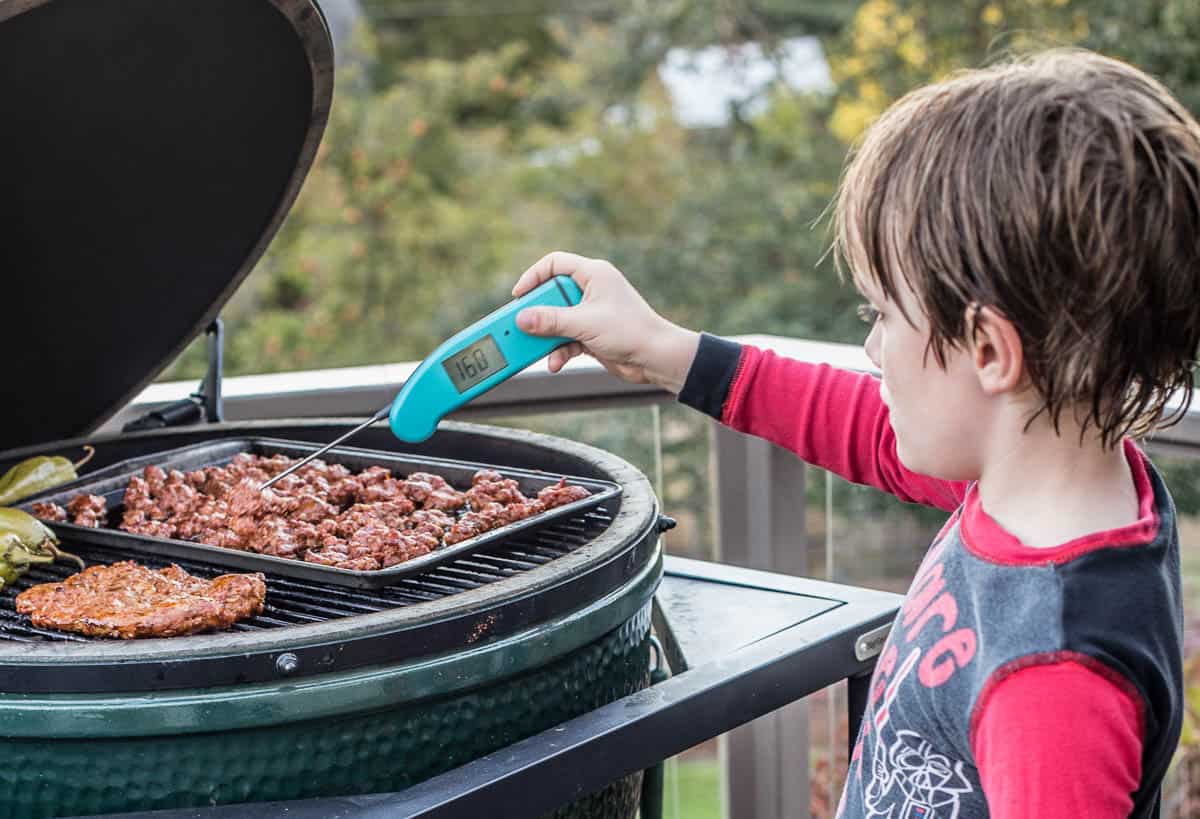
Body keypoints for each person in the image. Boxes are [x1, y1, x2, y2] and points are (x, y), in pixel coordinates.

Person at [510, 49, 1200, 818]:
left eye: (880, 315)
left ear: (990, 351)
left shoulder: (1052, 677)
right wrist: (665, 349)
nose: (872, 350)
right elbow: (863, 425)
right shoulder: (1050, 474)